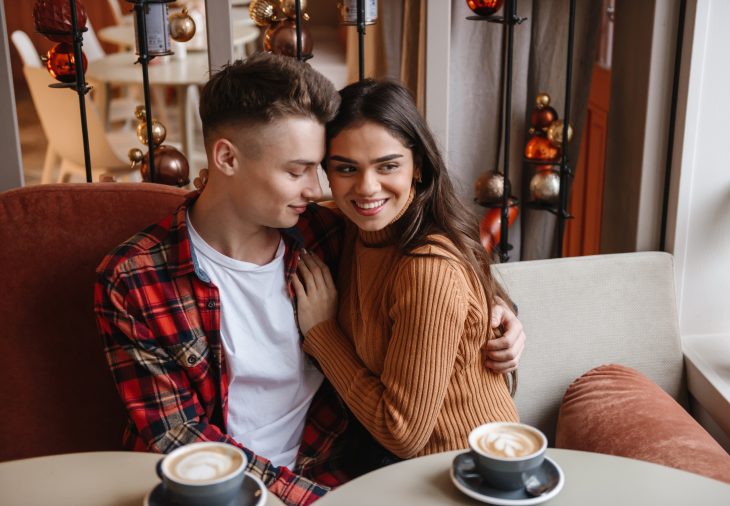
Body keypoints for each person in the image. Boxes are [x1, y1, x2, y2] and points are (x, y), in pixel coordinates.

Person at [94, 53, 524, 506]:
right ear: (226, 158)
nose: (317, 190)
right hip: (216, 489)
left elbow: (434, 265)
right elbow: (180, 437)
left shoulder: (327, 235)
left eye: (320, 169)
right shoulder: (134, 280)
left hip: (333, 469)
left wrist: (501, 312)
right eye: (297, 171)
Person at [293, 79, 520, 460]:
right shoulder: (359, 224)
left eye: (388, 166)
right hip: (401, 466)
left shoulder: (427, 270)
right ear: (327, 174)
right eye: (347, 168)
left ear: (418, 167)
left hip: (466, 470)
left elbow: (401, 433)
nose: (367, 188)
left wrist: (321, 333)